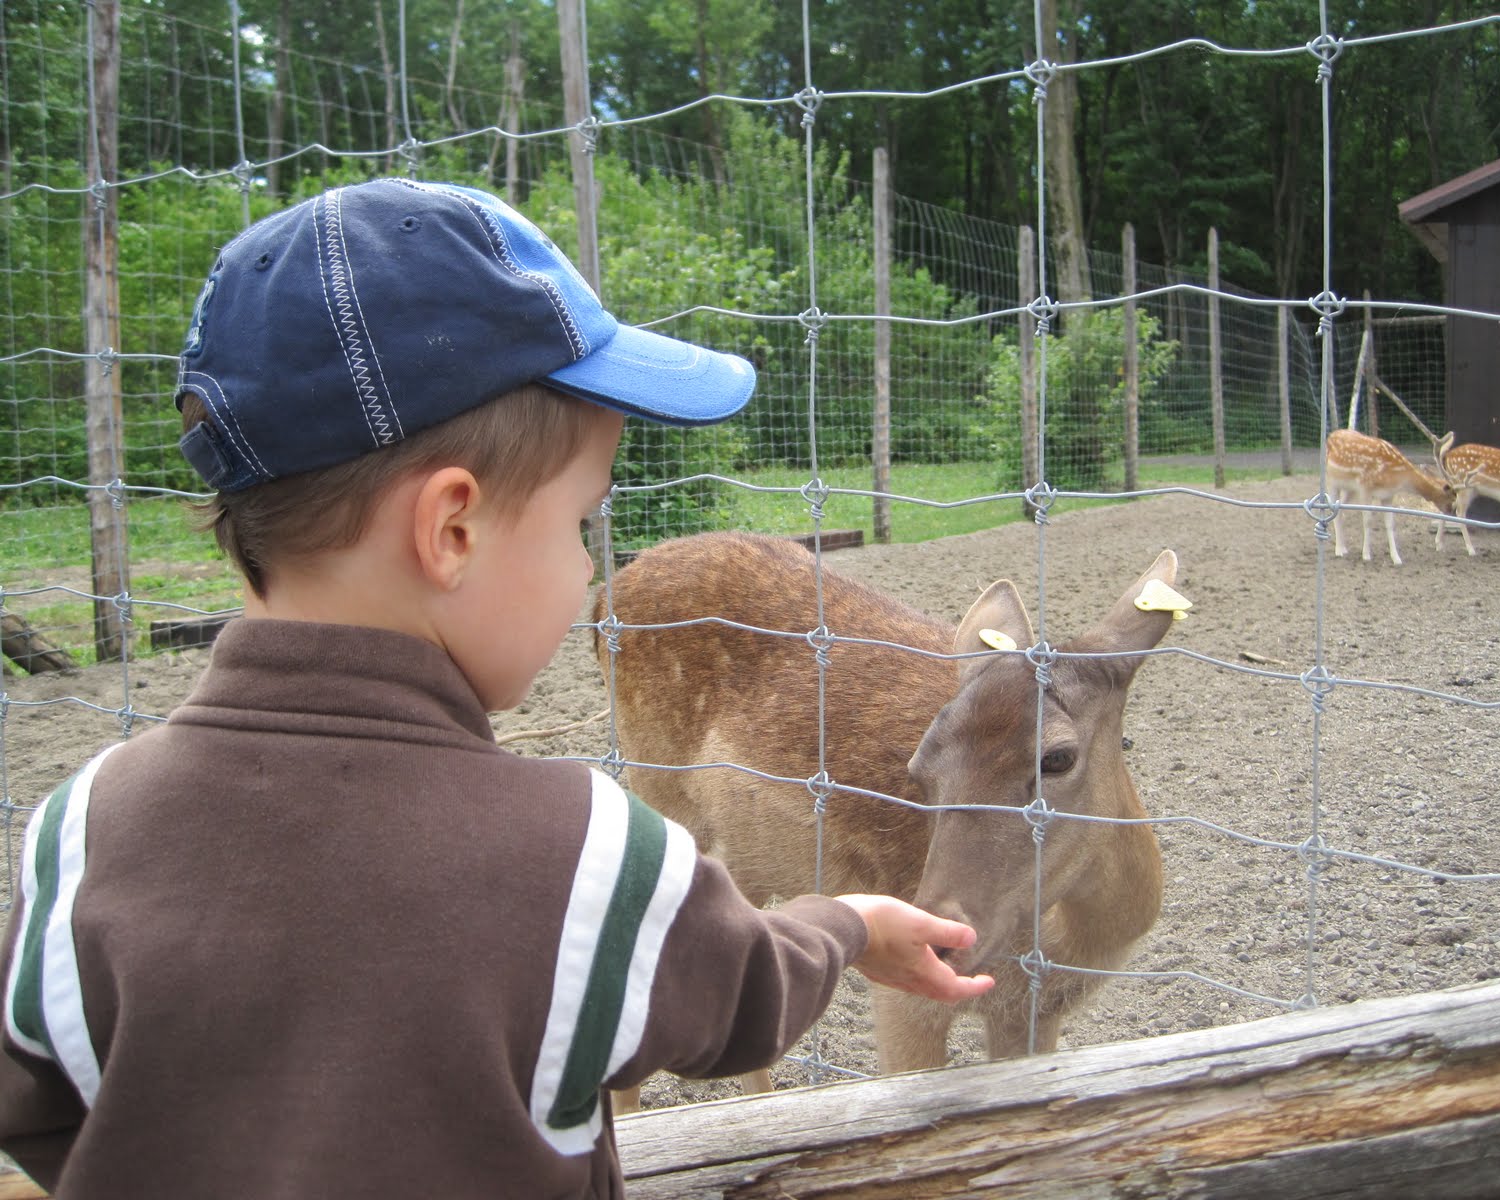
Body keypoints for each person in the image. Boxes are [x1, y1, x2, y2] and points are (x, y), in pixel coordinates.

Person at [0, 179, 991, 1198]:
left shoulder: (76, 835)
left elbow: (38, 1113)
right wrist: (852, 927)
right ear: (452, 532)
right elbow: (736, 995)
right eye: (578, 526)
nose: (586, 575)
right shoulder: (588, 858)